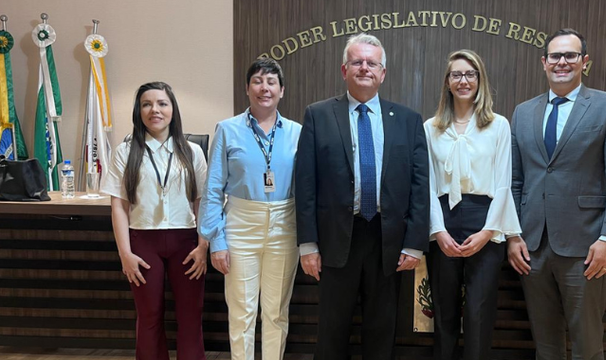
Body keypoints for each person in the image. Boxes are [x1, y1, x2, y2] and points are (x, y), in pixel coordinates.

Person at [295, 33, 429, 360]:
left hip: (388, 240)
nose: (364, 68)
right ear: (344, 70)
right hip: (337, 239)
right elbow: (305, 183)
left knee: (382, 331)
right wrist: (308, 245)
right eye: (357, 62)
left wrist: (414, 243)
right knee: (331, 331)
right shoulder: (319, 114)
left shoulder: (409, 121)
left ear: (383, 73)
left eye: (372, 63)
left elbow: (419, 186)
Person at [507, 28, 606, 360]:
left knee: (587, 343)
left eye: (570, 55)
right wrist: (513, 235)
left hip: (585, 247)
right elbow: (516, 180)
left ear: (584, 62)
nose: (562, 62)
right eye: (555, 56)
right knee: (545, 343)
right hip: (532, 247)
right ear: (544, 62)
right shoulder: (523, 112)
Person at [197, 57, 302, 360]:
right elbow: (213, 189)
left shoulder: (297, 132)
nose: (264, 88)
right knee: (242, 312)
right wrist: (216, 241)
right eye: (257, 81)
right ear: (247, 88)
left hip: (285, 224)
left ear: (282, 90)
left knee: (276, 312)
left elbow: (306, 189)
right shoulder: (228, 130)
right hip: (241, 225)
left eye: (271, 82)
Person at [424, 49, 522, 360]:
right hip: (444, 223)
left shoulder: (498, 125)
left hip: (485, 222)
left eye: (470, 74)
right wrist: (438, 231)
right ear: (447, 82)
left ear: (480, 80)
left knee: (479, 314)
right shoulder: (432, 127)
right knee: (444, 313)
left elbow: (504, 183)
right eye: (457, 74)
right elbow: (426, 187)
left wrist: (488, 232)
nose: (463, 80)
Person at [102, 81, 208, 360]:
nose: (155, 110)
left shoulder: (192, 151)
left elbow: (202, 201)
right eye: (147, 104)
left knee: (190, 316)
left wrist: (203, 246)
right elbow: (118, 205)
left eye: (162, 103)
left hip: (187, 242)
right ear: (139, 111)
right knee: (148, 317)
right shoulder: (125, 152)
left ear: (173, 109)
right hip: (142, 242)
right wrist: (125, 254)